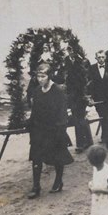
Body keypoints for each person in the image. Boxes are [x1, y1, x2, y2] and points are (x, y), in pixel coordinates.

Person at [26, 63, 74, 199]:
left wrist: (59, 130)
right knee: (36, 158)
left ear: (49, 76)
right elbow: (35, 111)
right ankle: (36, 186)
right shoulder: (36, 91)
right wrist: (29, 123)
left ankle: (58, 181)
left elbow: (63, 113)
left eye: (43, 76)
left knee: (58, 157)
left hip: (54, 130)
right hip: (39, 130)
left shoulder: (58, 92)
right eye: (38, 76)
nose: (40, 79)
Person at [62, 48, 93, 152]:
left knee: (79, 118)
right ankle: (88, 141)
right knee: (79, 118)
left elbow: (88, 77)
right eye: (69, 50)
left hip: (81, 93)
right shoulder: (66, 60)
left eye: (72, 49)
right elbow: (65, 76)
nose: (70, 52)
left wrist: (86, 94)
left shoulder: (83, 60)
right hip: (71, 95)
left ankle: (81, 143)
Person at [87, 50, 108, 143]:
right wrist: (91, 97)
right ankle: (105, 136)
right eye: (99, 57)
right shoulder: (92, 68)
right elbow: (90, 84)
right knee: (102, 115)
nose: (101, 59)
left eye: (102, 57)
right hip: (98, 97)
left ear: (105, 58)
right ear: (96, 58)